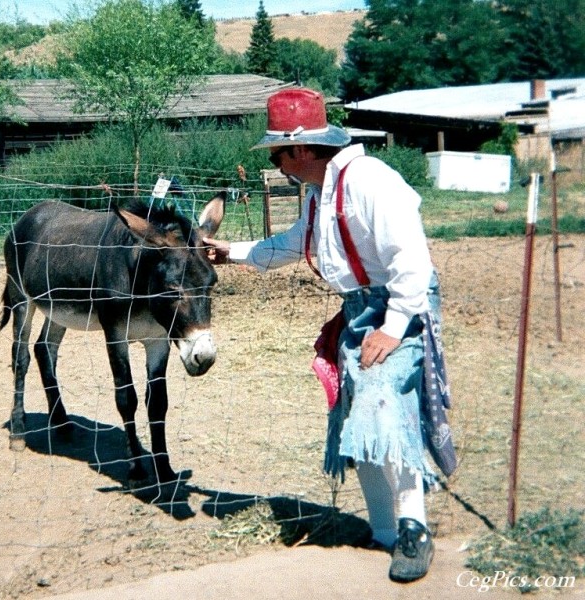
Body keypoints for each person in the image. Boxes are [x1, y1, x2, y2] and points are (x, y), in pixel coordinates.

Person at [205, 88, 456, 583]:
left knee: (385, 409)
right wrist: (230, 251)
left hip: (396, 308)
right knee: (353, 416)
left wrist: (391, 328)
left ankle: (414, 531)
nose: (276, 164)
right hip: (359, 309)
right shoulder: (323, 192)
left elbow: (411, 261)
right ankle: (382, 532)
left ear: (299, 149)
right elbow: (294, 244)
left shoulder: (371, 181)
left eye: (276, 153)